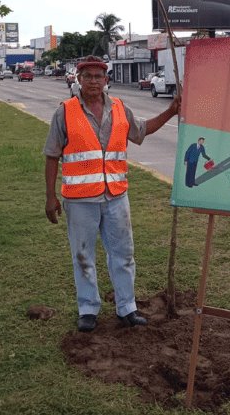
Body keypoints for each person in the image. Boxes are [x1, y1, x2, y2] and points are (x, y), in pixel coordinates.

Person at [44, 56, 180, 332]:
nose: (93, 81)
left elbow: (142, 130)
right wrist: (50, 196)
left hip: (116, 196)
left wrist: (172, 111)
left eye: (98, 76)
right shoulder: (65, 112)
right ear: (78, 80)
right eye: (88, 76)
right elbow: (51, 155)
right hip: (80, 199)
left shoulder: (119, 108)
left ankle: (127, 307)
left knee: (123, 253)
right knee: (83, 254)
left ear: (106, 81)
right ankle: (88, 309)